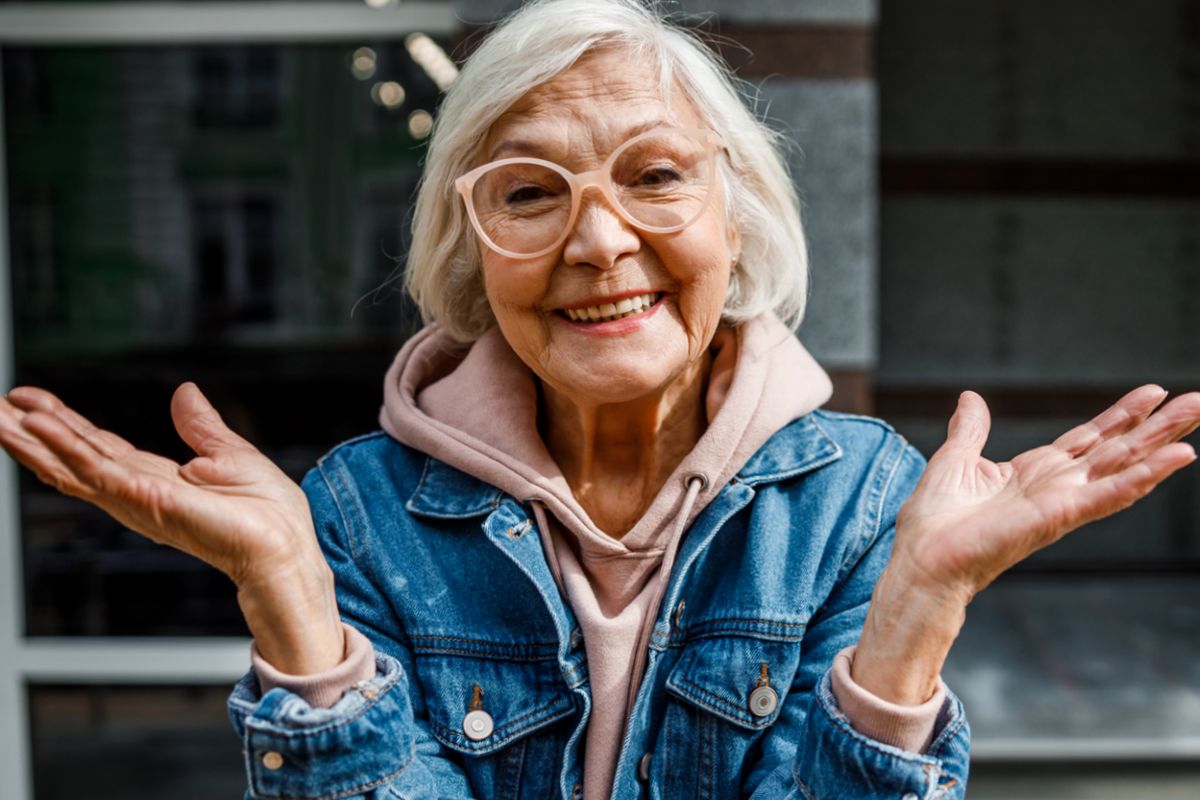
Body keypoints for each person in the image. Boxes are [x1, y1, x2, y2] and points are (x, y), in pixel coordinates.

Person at [1, 1, 1198, 797]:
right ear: (472, 252)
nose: (598, 239)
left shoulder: (859, 498)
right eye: (530, 193)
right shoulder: (359, 509)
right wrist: (292, 598)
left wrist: (921, 601)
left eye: (654, 176)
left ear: (736, 218)